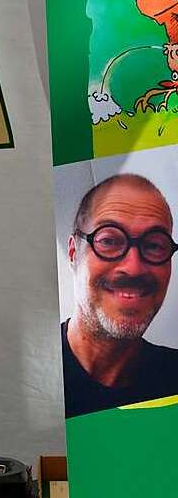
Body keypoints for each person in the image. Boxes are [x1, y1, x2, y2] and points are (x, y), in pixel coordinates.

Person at [63, 173, 178, 418]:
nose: (134, 267)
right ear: (73, 252)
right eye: (109, 240)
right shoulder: (32, 377)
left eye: (155, 245)